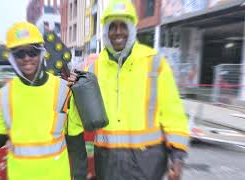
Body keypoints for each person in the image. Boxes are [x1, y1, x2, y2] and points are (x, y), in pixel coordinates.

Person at [68, 0, 189, 180]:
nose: (118, 32)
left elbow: (173, 113)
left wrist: (177, 157)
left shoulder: (155, 64)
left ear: (132, 29)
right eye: (112, 26)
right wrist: (73, 90)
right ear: (106, 31)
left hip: (148, 164)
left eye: (123, 25)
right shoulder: (93, 70)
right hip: (107, 163)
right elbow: (76, 118)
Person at [0, 22, 87, 180]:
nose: (27, 58)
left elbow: (75, 139)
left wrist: (80, 176)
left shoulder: (63, 89)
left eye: (32, 52)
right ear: (12, 58)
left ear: (41, 53)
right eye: (20, 54)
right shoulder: (3, 96)